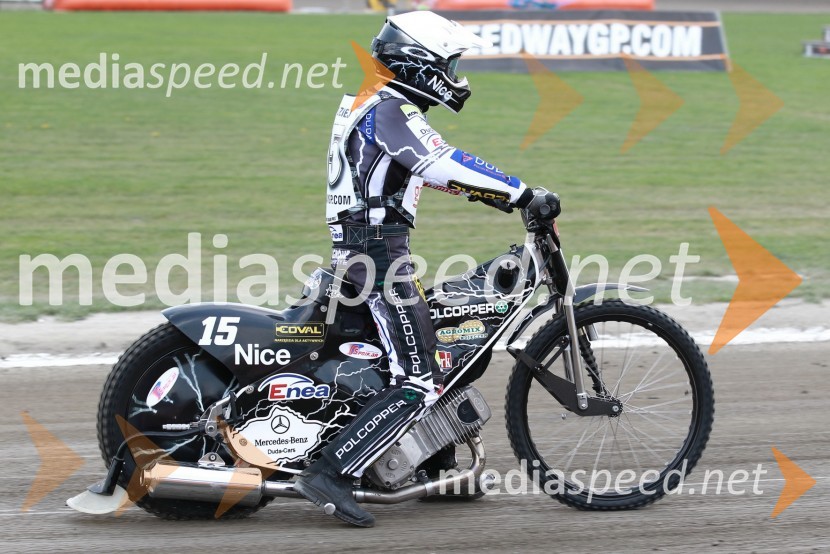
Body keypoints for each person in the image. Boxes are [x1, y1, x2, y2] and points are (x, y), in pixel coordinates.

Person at [294, 10, 561, 527]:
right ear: (419, 63)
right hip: (376, 259)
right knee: (421, 377)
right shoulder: (389, 109)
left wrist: (502, 196)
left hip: (372, 252)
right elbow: (442, 163)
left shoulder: (379, 104)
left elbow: (439, 170)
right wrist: (522, 194)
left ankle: (434, 460)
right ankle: (329, 472)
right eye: (450, 62)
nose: (457, 74)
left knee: (441, 333)